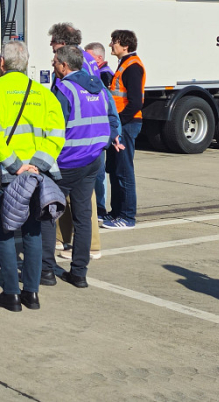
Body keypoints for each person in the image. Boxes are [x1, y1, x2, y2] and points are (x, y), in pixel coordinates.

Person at [0, 41, 65, 312]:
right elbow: (57, 134)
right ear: (26, 64)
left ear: (1, 64)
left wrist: (15, 165)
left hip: (7, 173)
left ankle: (11, 294)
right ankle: (32, 293)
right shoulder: (44, 93)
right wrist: (37, 165)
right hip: (37, 175)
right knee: (33, 231)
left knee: (4, 233)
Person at [42, 46, 119, 289]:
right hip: (92, 160)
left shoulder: (64, 89)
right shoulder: (98, 88)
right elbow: (110, 120)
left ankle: (45, 271)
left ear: (65, 66)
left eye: (55, 62)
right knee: (83, 217)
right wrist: (104, 144)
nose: (53, 65)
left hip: (67, 161)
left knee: (47, 214)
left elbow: (53, 128)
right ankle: (79, 273)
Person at [103, 29, 144, 230]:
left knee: (124, 170)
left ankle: (127, 216)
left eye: (114, 42)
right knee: (116, 170)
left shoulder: (132, 67)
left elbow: (136, 101)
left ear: (125, 45)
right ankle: (116, 212)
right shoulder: (124, 64)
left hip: (127, 125)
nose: (111, 45)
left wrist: (118, 124)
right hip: (122, 125)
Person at [84, 41, 113, 219]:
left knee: (99, 174)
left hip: (100, 131)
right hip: (95, 132)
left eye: (90, 57)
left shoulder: (104, 76)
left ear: (99, 58)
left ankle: (100, 208)